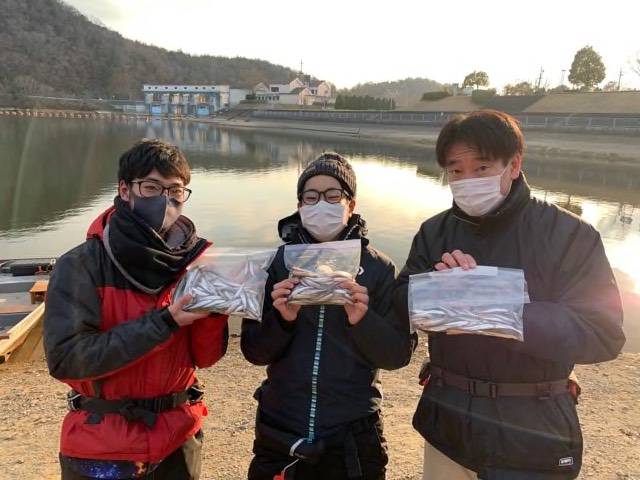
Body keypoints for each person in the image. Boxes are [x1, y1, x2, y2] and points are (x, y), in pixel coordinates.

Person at [396, 109, 626, 480]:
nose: (467, 179)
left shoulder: (569, 235)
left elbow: (603, 334)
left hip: (532, 431)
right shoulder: (434, 232)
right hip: (447, 423)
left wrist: (506, 310)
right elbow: (401, 302)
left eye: (482, 168)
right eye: (456, 171)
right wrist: (437, 290)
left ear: (514, 165)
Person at [43, 138, 229, 480]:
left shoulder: (191, 264)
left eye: (176, 190)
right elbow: (67, 360)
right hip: (103, 445)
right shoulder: (82, 265)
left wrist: (215, 311)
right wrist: (163, 322)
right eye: (151, 186)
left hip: (178, 437)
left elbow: (204, 359)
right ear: (125, 190)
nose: (165, 199)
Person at [241, 152, 417, 480]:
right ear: (300, 205)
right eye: (311, 197)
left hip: (353, 434)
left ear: (351, 203)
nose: (321, 204)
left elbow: (397, 355)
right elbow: (254, 351)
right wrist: (282, 320)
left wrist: (362, 320)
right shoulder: (275, 265)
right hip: (280, 429)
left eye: (333, 195)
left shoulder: (378, 268)